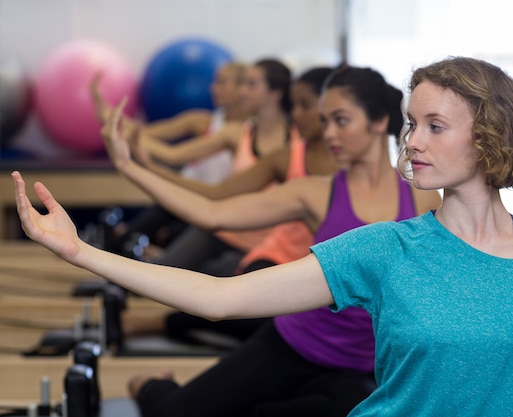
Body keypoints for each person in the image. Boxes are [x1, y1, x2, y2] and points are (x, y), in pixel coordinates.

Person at [14, 56, 513, 417]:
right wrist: (81, 252)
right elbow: (222, 299)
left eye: (435, 126)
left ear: (490, 139)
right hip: (298, 352)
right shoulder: (385, 248)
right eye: (412, 124)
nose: (412, 142)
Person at [14, 64, 441, 417]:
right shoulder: (317, 191)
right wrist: (130, 168)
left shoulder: (421, 196)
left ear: (379, 122)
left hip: (359, 368)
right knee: (176, 415)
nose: (328, 133)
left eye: (340, 120)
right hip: (292, 344)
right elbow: (212, 212)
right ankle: (149, 384)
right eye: (325, 121)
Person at [124, 66, 340, 338]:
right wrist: (138, 167)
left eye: (251, 84)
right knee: (204, 291)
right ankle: (155, 313)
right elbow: (215, 198)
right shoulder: (282, 154)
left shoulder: (344, 167)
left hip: (283, 257)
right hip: (254, 245)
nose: (297, 113)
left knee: (225, 293)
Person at [90, 61, 249, 255]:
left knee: (165, 235)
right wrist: (107, 114)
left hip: (208, 206)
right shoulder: (203, 121)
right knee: (146, 224)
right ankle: (124, 243)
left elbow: (171, 154)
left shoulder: (244, 133)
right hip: (182, 195)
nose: (213, 87)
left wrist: (134, 145)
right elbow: (146, 133)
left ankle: (135, 245)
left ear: (243, 89)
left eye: (222, 82)